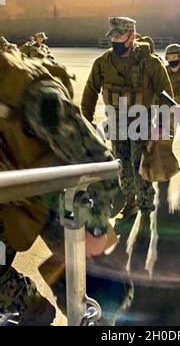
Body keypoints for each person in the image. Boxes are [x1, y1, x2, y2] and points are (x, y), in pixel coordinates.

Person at [0, 37, 120, 326]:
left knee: (92, 288)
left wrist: (96, 225)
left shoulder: (32, 93)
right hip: (13, 196)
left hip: (60, 198)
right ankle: (32, 311)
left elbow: (97, 162)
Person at [81, 17, 174, 243]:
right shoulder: (103, 62)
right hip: (117, 123)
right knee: (122, 167)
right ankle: (130, 205)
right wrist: (86, 121)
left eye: (118, 36)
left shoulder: (150, 63)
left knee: (141, 166)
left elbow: (166, 97)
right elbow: (90, 90)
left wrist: (163, 128)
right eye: (112, 36)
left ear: (132, 36)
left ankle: (145, 210)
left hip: (143, 123)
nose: (114, 40)